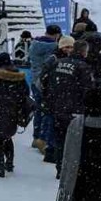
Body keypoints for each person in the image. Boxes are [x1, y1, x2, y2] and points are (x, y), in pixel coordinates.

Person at [40, 37, 94, 169]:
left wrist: (49, 100)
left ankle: (59, 165)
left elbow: (45, 81)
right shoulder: (84, 67)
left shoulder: (58, 62)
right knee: (73, 141)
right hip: (74, 110)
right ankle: (67, 167)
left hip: (57, 107)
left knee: (60, 138)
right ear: (84, 52)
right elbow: (88, 91)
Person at [0, 52, 32, 178]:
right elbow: (26, 94)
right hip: (13, 114)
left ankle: (0, 167)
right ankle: (9, 163)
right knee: (7, 138)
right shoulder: (19, 78)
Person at [27, 24, 61, 152]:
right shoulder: (53, 47)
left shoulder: (34, 44)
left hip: (34, 78)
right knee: (46, 110)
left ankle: (36, 137)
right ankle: (42, 138)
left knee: (38, 109)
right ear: (57, 35)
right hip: (45, 81)